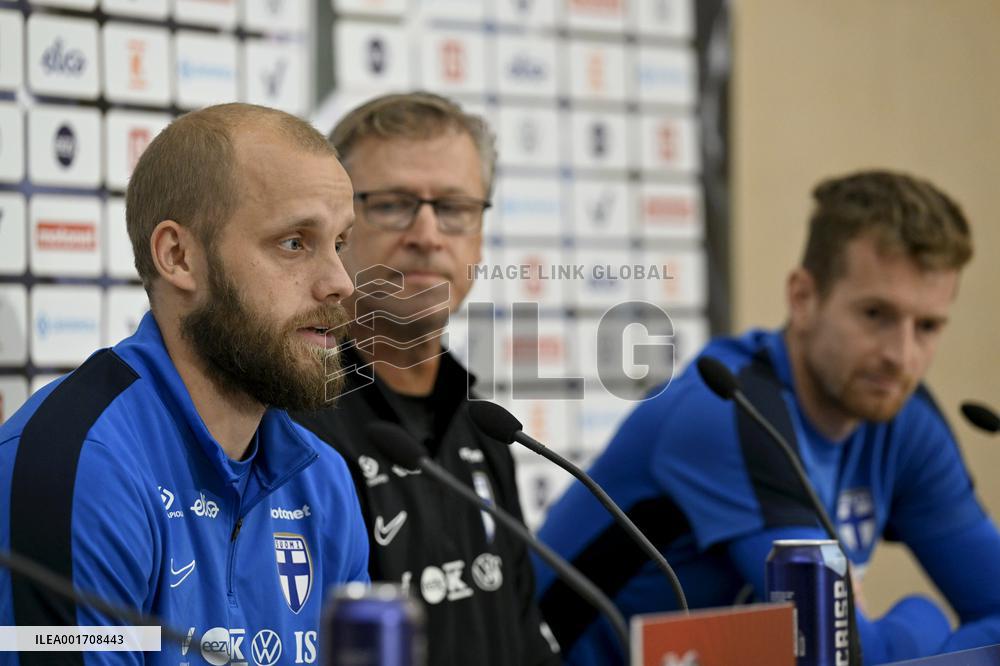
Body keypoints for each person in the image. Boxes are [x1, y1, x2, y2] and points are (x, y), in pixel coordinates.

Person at [537, 170, 1000, 665]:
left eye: (927, 326)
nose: (902, 356)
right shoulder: (728, 411)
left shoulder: (904, 420)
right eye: (875, 315)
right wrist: (923, 614)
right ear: (802, 297)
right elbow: (841, 654)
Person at [0, 103, 369, 664]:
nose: (339, 282)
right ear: (179, 257)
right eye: (294, 242)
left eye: (340, 244)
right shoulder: (79, 465)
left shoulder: (322, 479)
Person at [292, 92, 560, 666]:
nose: (428, 233)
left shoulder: (488, 425)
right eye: (393, 205)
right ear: (336, 225)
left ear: (481, 232)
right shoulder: (289, 421)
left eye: (455, 208)